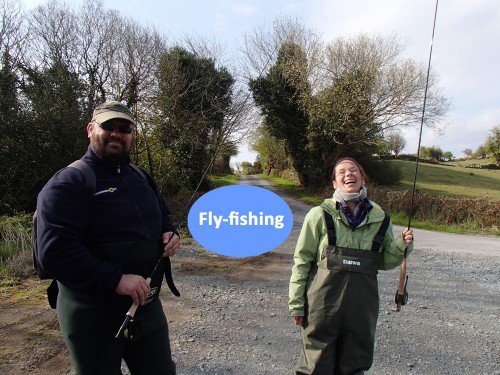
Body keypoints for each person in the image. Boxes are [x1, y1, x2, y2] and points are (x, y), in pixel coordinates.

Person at [36, 101, 180, 374]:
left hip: (146, 308)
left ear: (132, 136)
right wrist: (116, 280)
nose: (117, 133)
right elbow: (54, 252)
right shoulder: (69, 182)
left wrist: (170, 232)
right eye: (108, 126)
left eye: (124, 128)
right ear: (91, 129)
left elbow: (161, 215)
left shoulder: (141, 177)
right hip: (91, 315)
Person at [288, 157, 414, 375]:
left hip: (362, 308)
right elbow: (302, 261)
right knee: (315, 366)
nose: (349, 174)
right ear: (335, 183)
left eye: (354, 170)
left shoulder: (381, 218)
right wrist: (297, 304)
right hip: (321, 308)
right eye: (342, 172)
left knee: (355, 365)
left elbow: (383, 261)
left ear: (362, 178)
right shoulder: (318, 215)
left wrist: (402, 244)